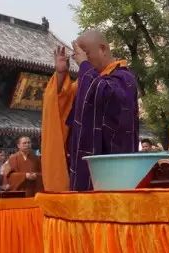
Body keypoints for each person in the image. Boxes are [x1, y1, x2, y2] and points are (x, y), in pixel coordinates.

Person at [44, 30, 140, 191]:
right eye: (79, 56)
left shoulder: (123, 77)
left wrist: (83, 65)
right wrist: (61, 74)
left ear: (102, 49)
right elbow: (61, 103)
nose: (82, 59)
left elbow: (104, 93)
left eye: (86, 54)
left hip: (111, 167)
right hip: (81, 165)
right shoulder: (89, 79)